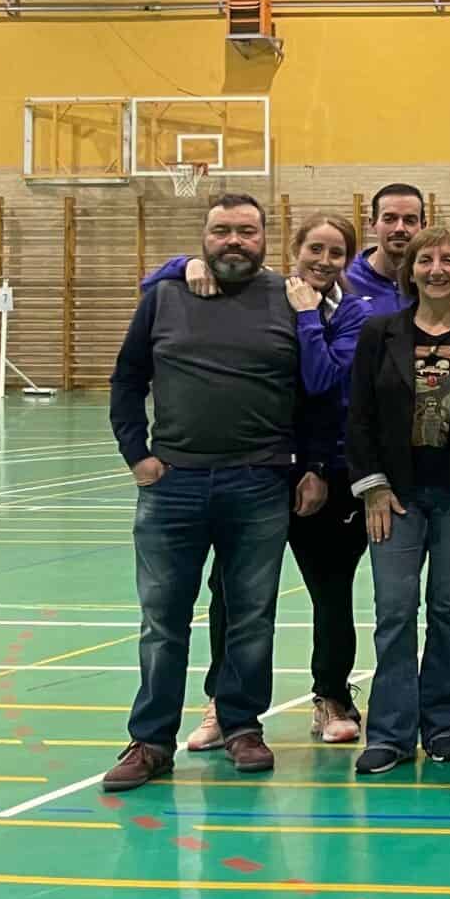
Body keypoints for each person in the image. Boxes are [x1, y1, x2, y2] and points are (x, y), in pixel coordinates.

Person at [102, 193, 348, 792]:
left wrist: (312, 465)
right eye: (221, 231)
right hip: (173, 487)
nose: (234, 241)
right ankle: (151, 740)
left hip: (259, 483)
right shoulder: (165, 295)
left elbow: (314, 394)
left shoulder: (291, 301)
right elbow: (128, 378)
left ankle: (242, 727)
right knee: (163, 620)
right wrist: (138, 455)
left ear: (266, 238)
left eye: (246, 231)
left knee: (250, 614)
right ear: (203, 237)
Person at [143, 212, 371, 752]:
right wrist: (186, 261)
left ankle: (332, 695)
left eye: (336, 253)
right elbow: (156, 284)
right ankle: (223, 703)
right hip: (254, 468)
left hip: (325, 470)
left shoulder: (351, 312)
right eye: (314, 249)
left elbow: (320, 384)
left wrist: (309, 318)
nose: (323, 261)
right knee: (233, 594)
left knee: (330, 590)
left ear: (349, 261)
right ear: (292, 250)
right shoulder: (264, 294)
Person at [345, 226, 450, 774]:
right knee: (395, 613)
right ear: (411, 270)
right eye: (426, 260)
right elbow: (360, 419)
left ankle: (443, 724)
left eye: (448, 260)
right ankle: (391, 732)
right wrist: (372, 485)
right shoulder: (380, 334)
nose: (437, 269)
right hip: (394, 498)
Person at [344, 181, 425, 313]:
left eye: (410, 220)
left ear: (423, 226)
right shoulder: (346, 277)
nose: (400, 228)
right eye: (389, 219)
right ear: (372, 224)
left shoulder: (432, 279)